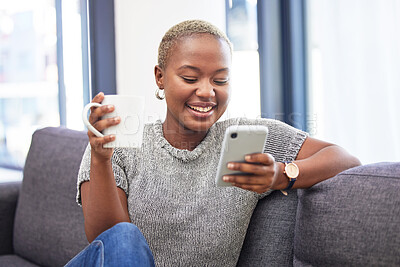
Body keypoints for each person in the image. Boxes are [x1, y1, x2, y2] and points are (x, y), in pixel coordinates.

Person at [66, 20, 360, 266]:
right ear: (160, 77)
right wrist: (100, 160)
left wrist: (281, 175)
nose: (206, 92)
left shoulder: (247, 139)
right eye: (190, 77)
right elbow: (108, 241)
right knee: (125, 237)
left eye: (220, 80)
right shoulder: (115, 146)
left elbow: (345, 160)